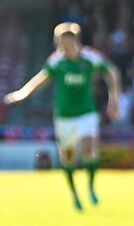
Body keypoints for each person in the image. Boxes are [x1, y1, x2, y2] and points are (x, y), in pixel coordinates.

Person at [3, 22, 121, 211]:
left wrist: (113, 100)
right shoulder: (57, 61)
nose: (57, 44)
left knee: (89, 148)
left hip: (86, 112)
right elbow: (40, 80)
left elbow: (111, 72)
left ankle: (91, 187)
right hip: (64, 116)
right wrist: (21, 94)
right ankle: (75, 195)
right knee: (68, 158)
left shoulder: (90, 58)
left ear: (71, 40)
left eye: (60, 40)